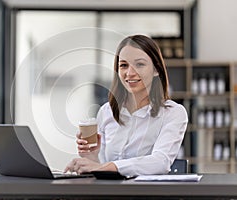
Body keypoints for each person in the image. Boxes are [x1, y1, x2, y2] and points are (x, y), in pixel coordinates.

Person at [64, 34, 188, 177]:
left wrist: (109, 166)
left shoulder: (173, 113)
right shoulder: (106, 111)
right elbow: (102, 168)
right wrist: (91, 157)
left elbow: (160, 162)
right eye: (123, 65)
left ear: (156, 69)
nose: (130, 73)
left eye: (139, 64)